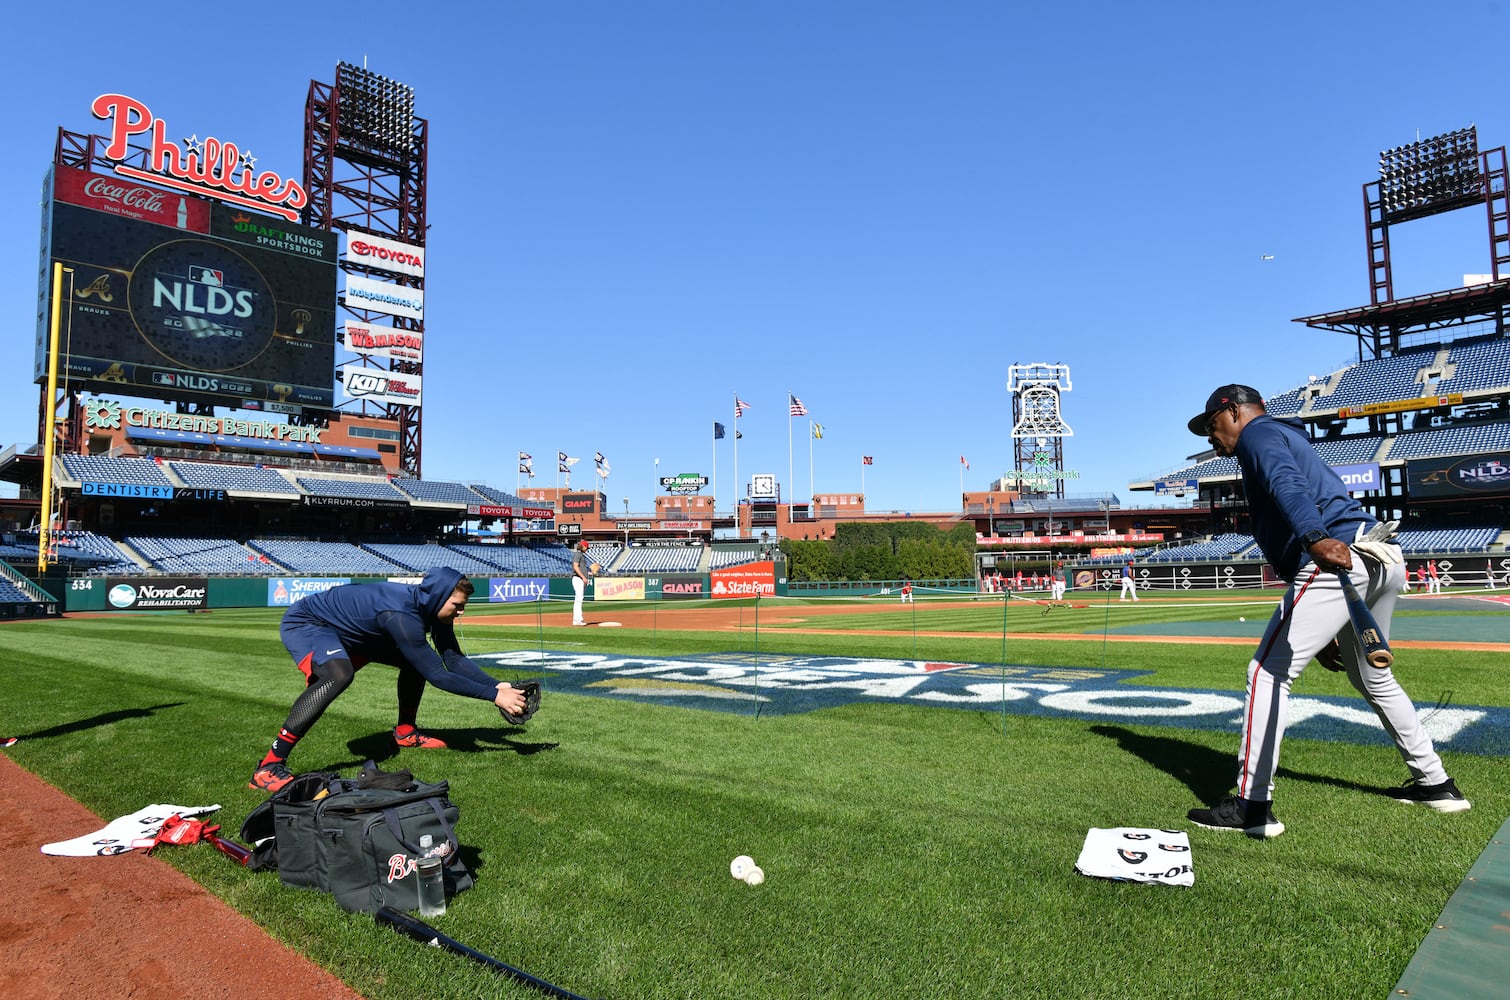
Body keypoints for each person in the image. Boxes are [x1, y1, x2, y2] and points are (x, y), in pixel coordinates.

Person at [1182, 385, 1469, 837]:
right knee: (1374, 677)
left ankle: (1251, 807)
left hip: (1336, 555)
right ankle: (1436, 784)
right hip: (1381, 556)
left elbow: (1286, 485)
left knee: (1267, 673)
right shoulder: (1285, 435)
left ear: (1233, 412)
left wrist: (1315, 537)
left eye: (1212, 427)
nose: (1211, 439)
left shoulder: (1258, 435)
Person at [248, 567, 528, 793]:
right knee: (338, 675)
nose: (461, 611)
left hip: (358, 632)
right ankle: (268, 766)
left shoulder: (432, 607)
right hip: (310, 622)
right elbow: (438, 675)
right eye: (457, 605)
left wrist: (497, 686)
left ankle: (405, 733)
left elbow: (453, 659)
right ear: (440, 597)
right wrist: (494, 697)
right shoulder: (402, 616)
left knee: (413, 661)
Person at [571, 538, 596, 626]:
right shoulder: (578, 554)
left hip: (580, 578)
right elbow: (575, 566)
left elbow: (581, 568)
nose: (587, 549)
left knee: (579, 599)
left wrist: (588, 573)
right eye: (586, 548)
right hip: (578, 578)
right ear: (583, 546)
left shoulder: (581, 554)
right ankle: (577, 619)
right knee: (579, 599)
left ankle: (577, 619)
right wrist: (583, 577)